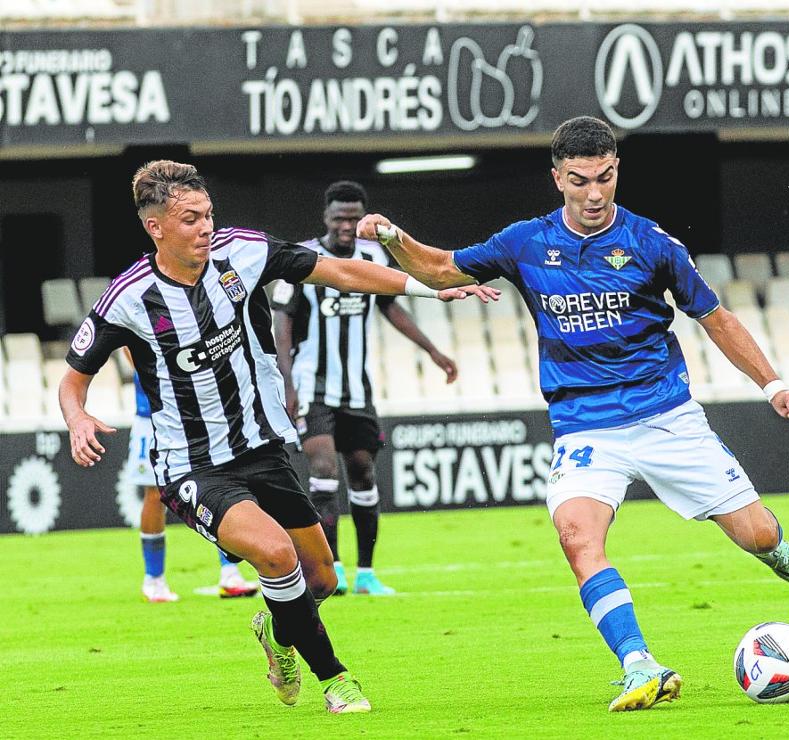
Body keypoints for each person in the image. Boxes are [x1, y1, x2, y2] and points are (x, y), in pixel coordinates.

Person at [357, 116, 789, 712]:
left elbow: (715, 318)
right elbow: (441, 269)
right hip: (585, 426)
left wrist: (772, 383)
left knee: (756, 533)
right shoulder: (525, 242)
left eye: (604, 178)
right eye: (580, 181)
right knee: (576, 537)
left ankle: (771, 545)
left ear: (616, 171)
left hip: (667, 417)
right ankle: (639, 664)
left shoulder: (654, 244)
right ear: (557, 179)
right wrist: (394, 237)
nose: (594, 194)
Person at [60, 160, 497, 713]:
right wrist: (77, 417)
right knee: (275, 554)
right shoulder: (127, 298)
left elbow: (340, 272)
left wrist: (427, 289)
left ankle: (277, 629)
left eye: (208, 214)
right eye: (191, 219)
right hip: (193, 466)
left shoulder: (243, 252)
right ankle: (336, 679)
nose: (205, 226)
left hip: (264, 448)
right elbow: (73, 380)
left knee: (320, 579)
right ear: (157, 228)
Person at [273, 180, 458, 597]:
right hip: (312, 385)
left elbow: (390, 305)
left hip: (357, 389)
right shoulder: (303, 258)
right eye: (340, 218)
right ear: (326, 217)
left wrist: (432, 351)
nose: (346, 225)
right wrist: (286, 385)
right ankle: (331, 567)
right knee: (323, 470)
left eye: (354, 218)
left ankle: (367, 573)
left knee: (363, 471)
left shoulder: (373, 256)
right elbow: (281, 324)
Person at [125, 368, 261, 602]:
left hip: (196, 410)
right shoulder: (139, 329)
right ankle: (153, 579)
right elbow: (129, 347)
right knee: (155, 492)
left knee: (219, 482)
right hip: (153, 414)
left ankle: (230, 572)